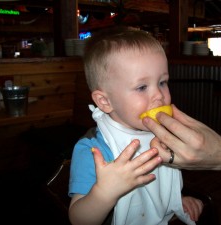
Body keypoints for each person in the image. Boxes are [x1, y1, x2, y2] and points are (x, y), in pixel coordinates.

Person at [68, 26, 204, 225]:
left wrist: (175, 200)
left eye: (162, 82)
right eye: (142, 87)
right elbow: (79, 220)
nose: (159, 95)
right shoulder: (94, 151)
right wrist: (104, 193)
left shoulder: (161, 134)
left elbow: (156, 186)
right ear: (105, 101)